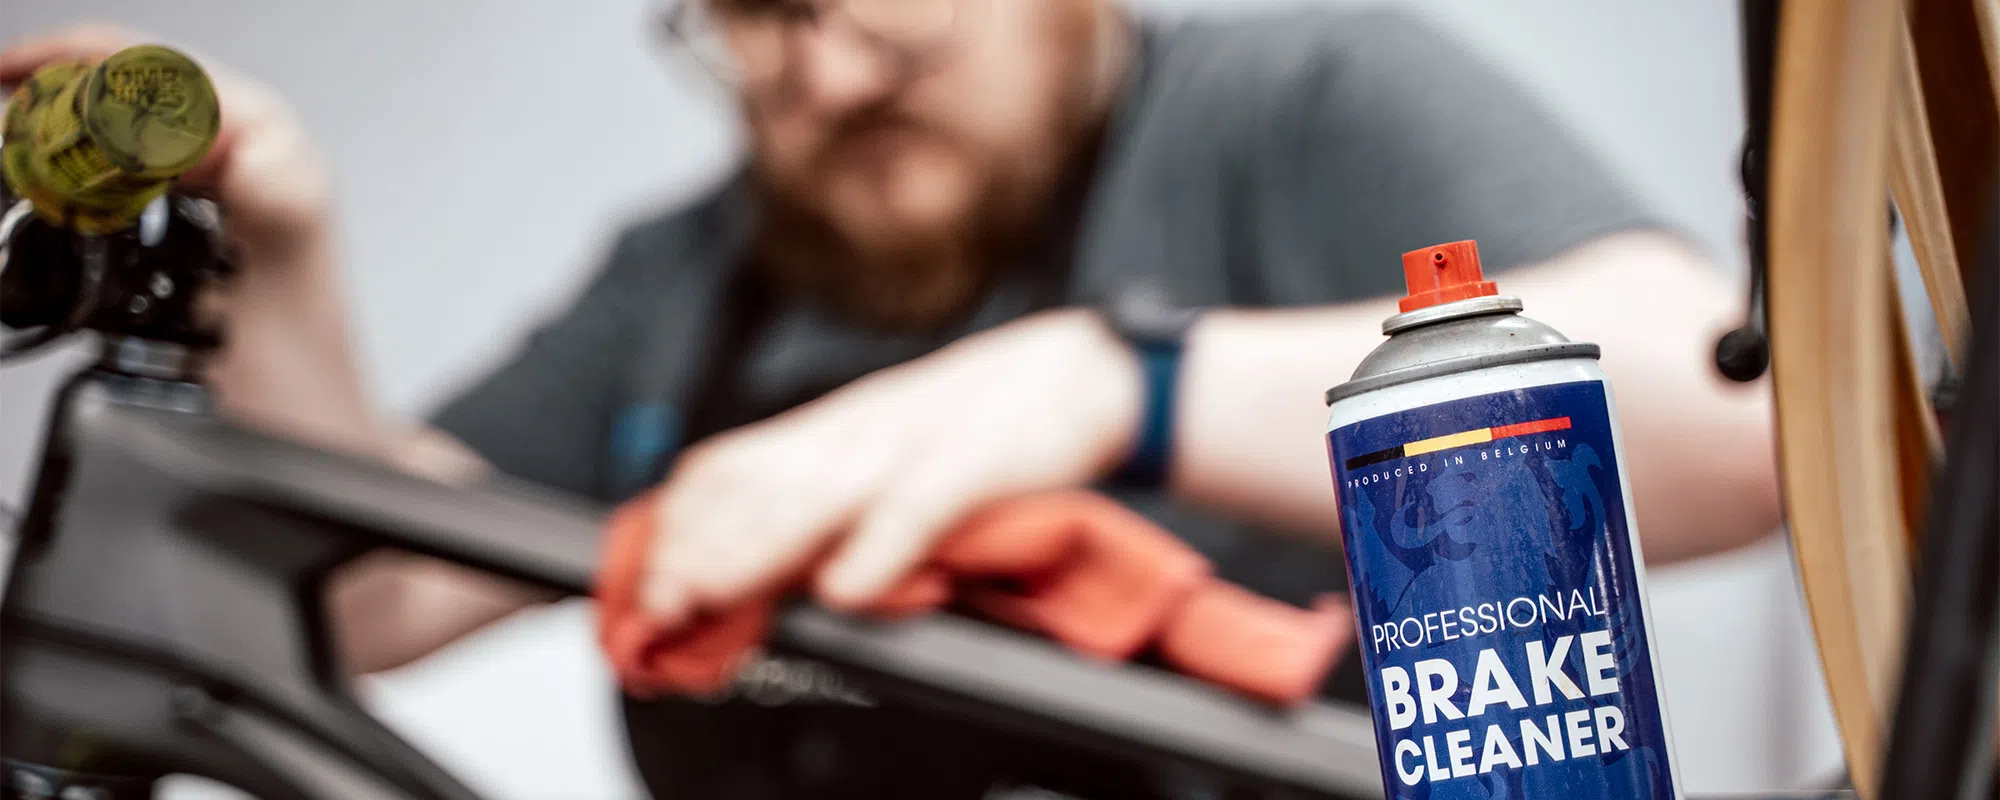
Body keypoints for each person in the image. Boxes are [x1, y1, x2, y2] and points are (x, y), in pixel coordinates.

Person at [2, 1, 1781, 796]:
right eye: (762, 19)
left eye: (893, 10)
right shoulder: (690, 276)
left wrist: (1109, 386)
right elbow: (371, 592)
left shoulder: (1296, 100)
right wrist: (276, 233)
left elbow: (1727, 428)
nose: (834, 75)